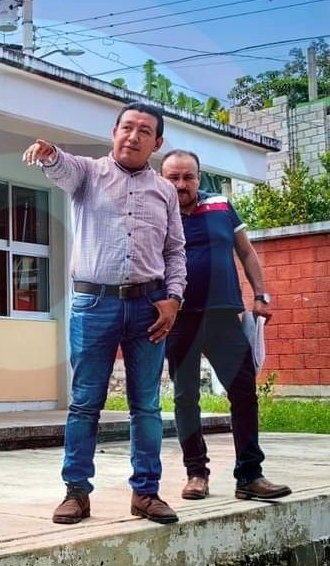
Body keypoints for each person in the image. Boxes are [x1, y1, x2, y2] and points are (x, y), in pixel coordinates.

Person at [22, 102, 186, 525]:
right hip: (94, 305)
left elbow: (174, 251)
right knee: (84, 403)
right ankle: (76, 492)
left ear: (157, 143)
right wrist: (49, 154)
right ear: (114, 132)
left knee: (146, 405)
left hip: (149, 308)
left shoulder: (165, 191)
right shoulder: (88, 173)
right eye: (126, 127)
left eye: (144, 131)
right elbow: (62, 168)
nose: (133, 136)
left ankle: (146, 493)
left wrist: (174, 297)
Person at [160, 149, 291, 501]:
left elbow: (246, 251)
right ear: (162, 179)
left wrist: (261, 295)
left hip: (223, 316)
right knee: (186, 397)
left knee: (244, 392)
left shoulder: (220, 205)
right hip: (180, 318)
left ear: (199, 178)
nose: (181, 184)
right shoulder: (156, 212)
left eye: (188, 177)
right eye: (173, 178)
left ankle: (250, 475)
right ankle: (196, 473)